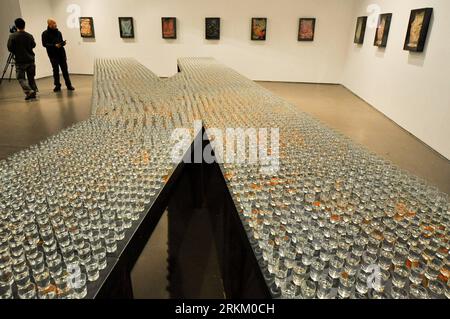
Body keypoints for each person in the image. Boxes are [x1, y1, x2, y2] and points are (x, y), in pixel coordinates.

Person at [7, 18, 38, 101]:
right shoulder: (29, 35)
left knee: (21, 78)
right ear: (24, 25)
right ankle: (33, 92)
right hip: (30, 60)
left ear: (16, 26)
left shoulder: (12, 36)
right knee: (31, 77)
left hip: (20, 61)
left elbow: (10, 48)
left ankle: (29, 91)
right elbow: (34, 45)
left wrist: (17, 51)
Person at [42, 19, 75, 92]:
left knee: (65, 70)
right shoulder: (45, 33)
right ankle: (57, 86)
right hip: (53, 55)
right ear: (49, 24)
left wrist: (62, 43)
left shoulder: (59, 32)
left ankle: (69, 85)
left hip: (61, 54)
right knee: (55, 70)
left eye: (55, 23)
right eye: (54, 23)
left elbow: (60, 41)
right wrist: (54, 45)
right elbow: (44, 44)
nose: (55, 24)